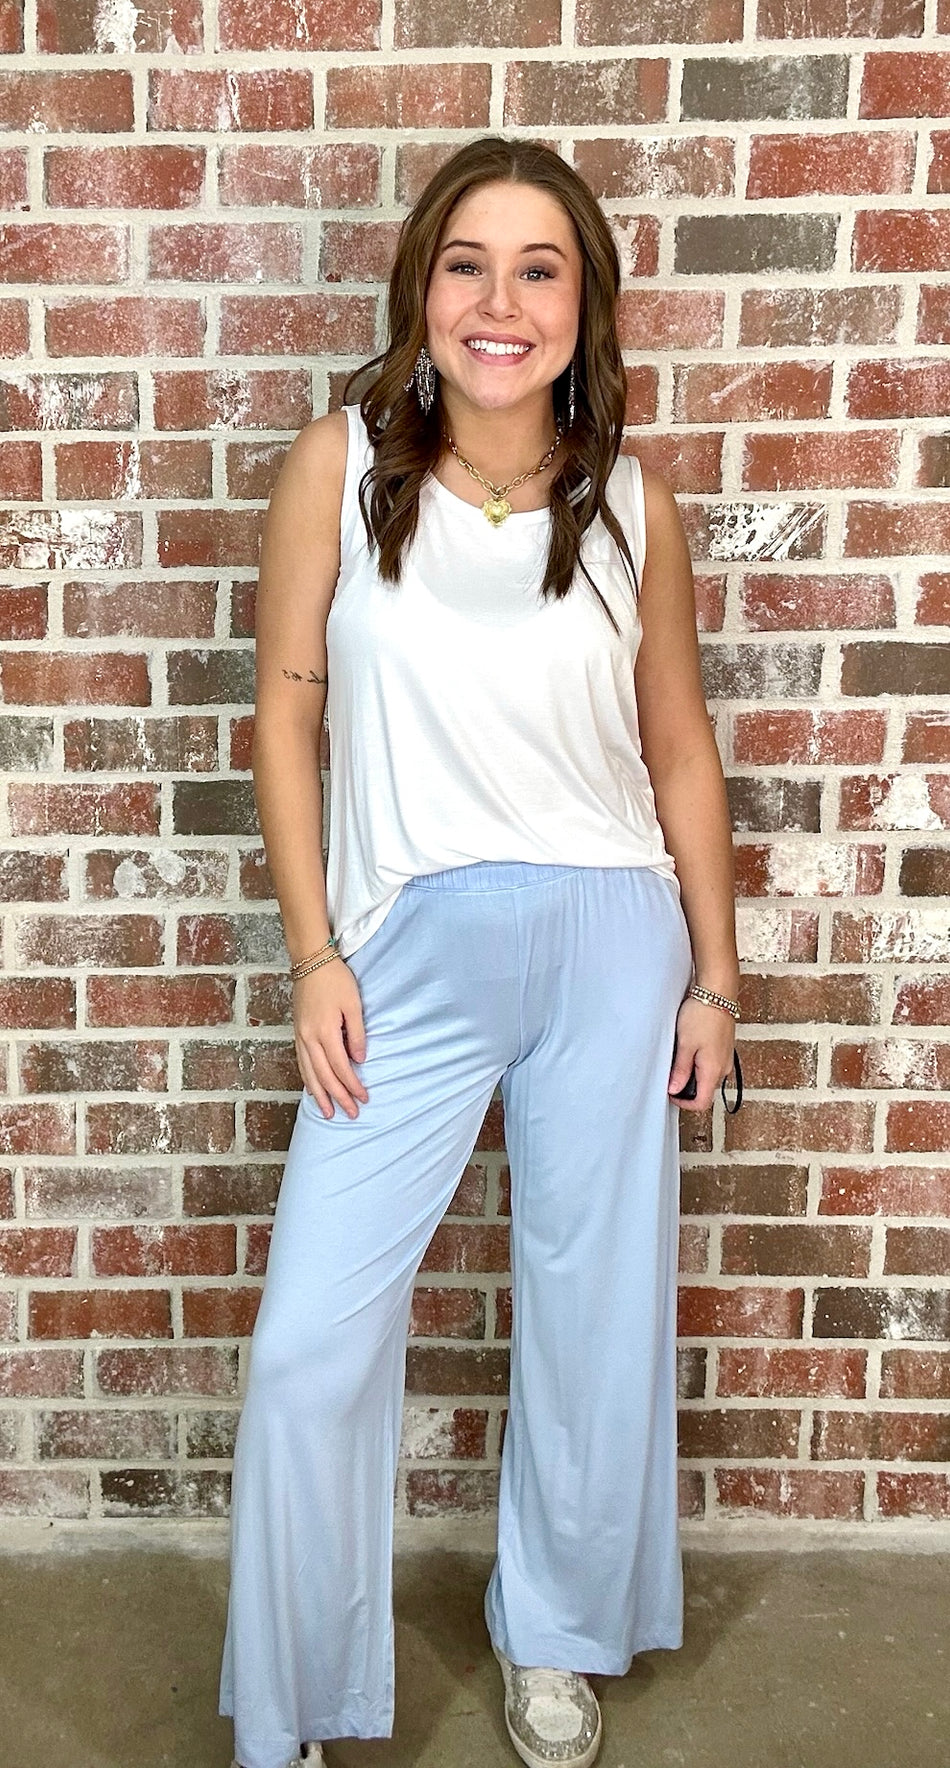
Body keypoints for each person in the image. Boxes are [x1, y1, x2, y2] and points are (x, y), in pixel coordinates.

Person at [218, 135, 740, 1768]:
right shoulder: (336, 467)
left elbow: (677, 750)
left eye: (537, 268)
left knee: (591, 1318)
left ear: (584, 306)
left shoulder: (630, 502)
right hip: (406, 950)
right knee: (310, 1343)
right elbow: (285, 718)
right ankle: (295, 1705)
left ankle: (558, 1634)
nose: (498, 302)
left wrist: (712, 978)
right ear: (420, 291)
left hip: (610, 942)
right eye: (466, 263)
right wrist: (315, 955)